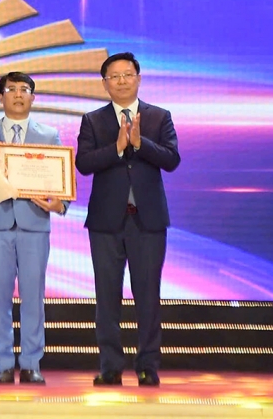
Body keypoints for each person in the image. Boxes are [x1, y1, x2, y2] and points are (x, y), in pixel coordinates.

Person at [76, 52, 180, 388]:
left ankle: (147, 365)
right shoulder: (93, 120)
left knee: (148, 296)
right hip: (106, 222)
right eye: (114, 76)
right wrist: (118, 148)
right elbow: (83, 163)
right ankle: (110, 367)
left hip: (148, 221)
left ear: (138, 78)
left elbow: (172, 159)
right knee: (107, 297)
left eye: (127, 74)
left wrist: (140, 143)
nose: (121, 81)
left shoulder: (159, 117)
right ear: (104, 83)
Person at [0, 72, 67, 385]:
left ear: (33, 97)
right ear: (0, 97)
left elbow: (62, 180)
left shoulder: (49, 135)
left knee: (34, 297)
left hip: (35, 223)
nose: (18, 95)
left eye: (24, 89)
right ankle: (3, 363)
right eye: (11, 89)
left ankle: (31, 363)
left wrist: (60, 204)